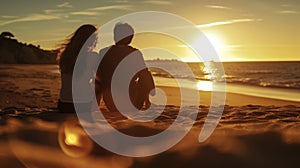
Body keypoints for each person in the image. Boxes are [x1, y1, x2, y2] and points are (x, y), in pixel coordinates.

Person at [96, 22, 155, 112]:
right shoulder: (134, 53)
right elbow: (144, 76)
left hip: (110, 103)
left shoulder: (103, 52)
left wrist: (98, 101)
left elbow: (98, 77)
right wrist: (150, 93)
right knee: (145, 74)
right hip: (132, 102)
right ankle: (147, 102)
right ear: (129, 38)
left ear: (115, 36)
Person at [57, 24, 98, 113]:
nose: (96, 40)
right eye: (95, 37)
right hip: (84, 105)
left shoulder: (65, 55)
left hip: (64, 105)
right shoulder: (93, 56)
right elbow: (98, 79)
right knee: (100, 83)